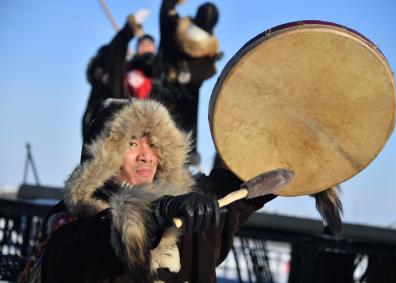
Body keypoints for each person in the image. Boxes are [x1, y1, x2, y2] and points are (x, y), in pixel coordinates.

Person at [22, 98, 287, 283]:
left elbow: (246, 180)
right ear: (103, 154)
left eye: (154, 146)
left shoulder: (190, 200)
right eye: (133, 144)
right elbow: (85, 247)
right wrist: (155, 213)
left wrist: (296, 148)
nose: (146, 157)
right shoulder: (71, 220)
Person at [152, 0, 223, 166]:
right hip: (165, 104)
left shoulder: (174, 26)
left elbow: (166, 8)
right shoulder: (207, 56)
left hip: (179, 110)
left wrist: (183, 73)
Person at [82, 14, 156, 140]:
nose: (146, 48)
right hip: (122, 121)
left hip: (148, 124)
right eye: (143, 45)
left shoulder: (158, 70)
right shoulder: (125, 69)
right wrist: (128, 30)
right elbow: (113, 56)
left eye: (150, 46)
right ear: (136, 48)